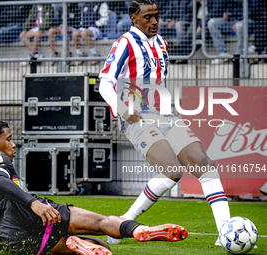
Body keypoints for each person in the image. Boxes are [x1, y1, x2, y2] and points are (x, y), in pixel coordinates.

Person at [0, 119, 188, 255]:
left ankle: (75, 244)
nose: (14, 144)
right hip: (26, 209)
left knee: (87, 248)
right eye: (9, 139)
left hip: (4, 236)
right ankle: (140, 229)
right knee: (101, 223)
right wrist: (33, 201)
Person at [98, 0, 230, 246]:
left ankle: (226, 234)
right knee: (172, 170)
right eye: (148, 17)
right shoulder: (125, 43)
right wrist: (121, 108)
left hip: (164, 115)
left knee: (205, 164)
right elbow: (105, 82)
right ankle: (124, 222)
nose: (155, 22)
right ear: (133, 18)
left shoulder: (161, 43)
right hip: (136, 117)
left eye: (156, 16)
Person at [207, 0, 256, 64]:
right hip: (232, 20)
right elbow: (226, 7)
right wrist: (226, 13)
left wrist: (240, 19)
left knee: (240, 25)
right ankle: (223, 54)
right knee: (212, 23)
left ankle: (239, 55)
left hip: (247, 19)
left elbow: (254, 9)